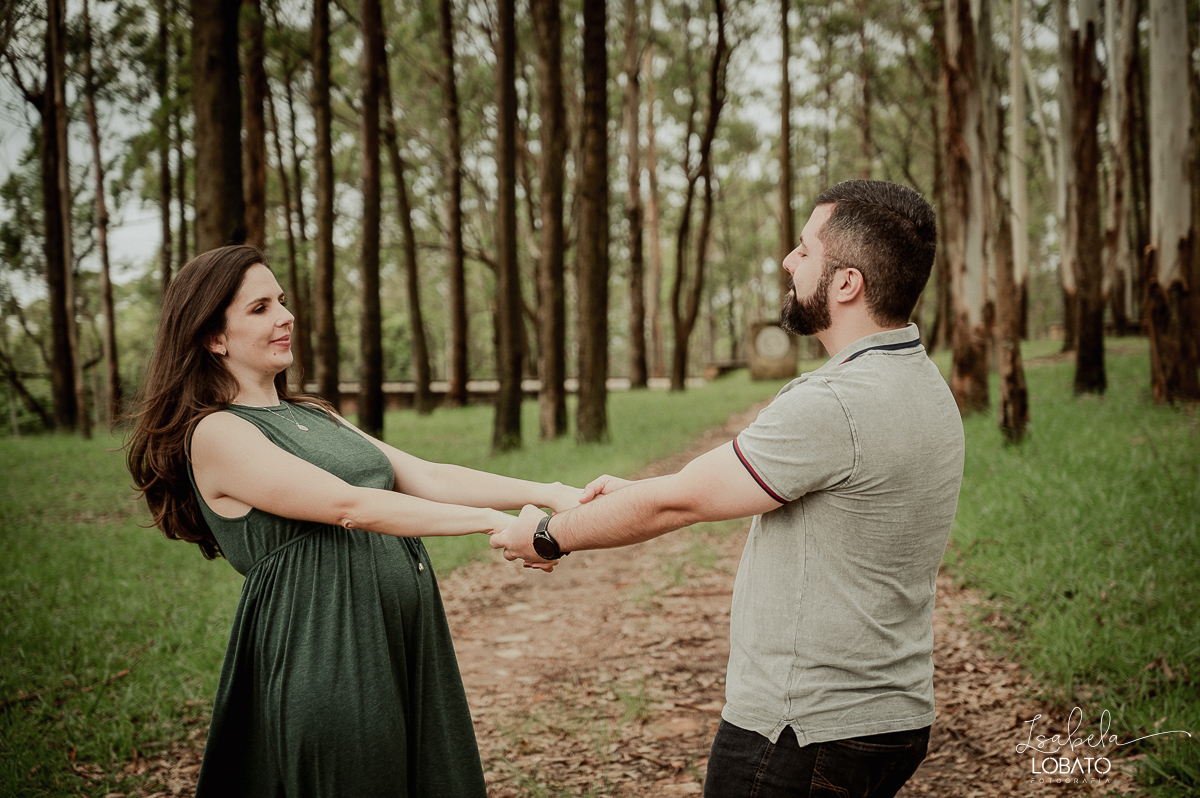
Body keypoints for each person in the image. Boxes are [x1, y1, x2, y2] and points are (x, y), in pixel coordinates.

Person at [491, 180, 966, 798]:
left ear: (847, 282)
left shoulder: (834, 404)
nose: (789, 262)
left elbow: (680, 502)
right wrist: (641, 491)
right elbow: (724, 487)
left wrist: (548, 536)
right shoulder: (922, 383)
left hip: (801, 731)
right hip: (889, 719)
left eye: (803, 249)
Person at [127, 245, 581, 797]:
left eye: (283, 301)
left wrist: (556, 493)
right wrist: (495, 523)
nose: (285, 316)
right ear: (213, 338)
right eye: (260, 307)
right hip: (329, 654)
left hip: (405, 645)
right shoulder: (218, 433)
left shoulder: (313, 414)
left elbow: (427, 475)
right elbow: (352, 506)